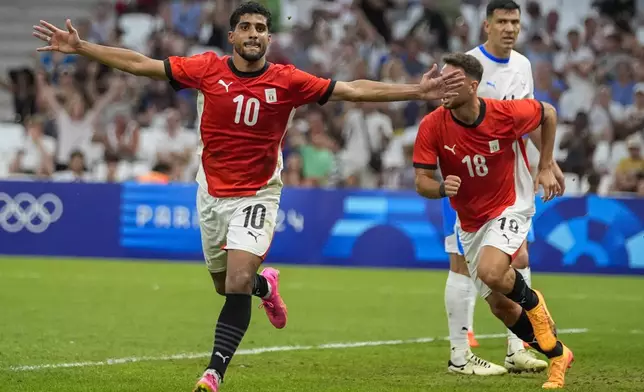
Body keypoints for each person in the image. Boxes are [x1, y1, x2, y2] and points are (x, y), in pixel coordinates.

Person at [32, 3, 465, 391]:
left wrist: (416, 91)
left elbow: (351, 89)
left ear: (269, 38)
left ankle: (213, 372)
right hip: (211, 194)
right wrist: (82, 47)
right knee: (227, 286)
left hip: (258, 194)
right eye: (246, 27)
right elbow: (140, 63)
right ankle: (266, 285)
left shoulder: (288, 79)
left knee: (235, 281)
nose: (254, 33)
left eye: (261, 27)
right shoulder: (205, 69)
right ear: (233, 36)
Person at [413, 52, 573, 390]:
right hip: (469, 222)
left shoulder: (502, 113)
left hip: (510, 204)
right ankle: (558, 353)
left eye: (451, 80)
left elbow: (549, 113)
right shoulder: (431, 125)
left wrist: (544, 165)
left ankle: (535, 304)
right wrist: (441, 188)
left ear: (473, 87)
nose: (443, 86)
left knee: (491, 271)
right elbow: (421, 182)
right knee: (500, 307)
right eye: (441, 79)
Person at [440, 0, 566, 375]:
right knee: (461, 262)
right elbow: (448, 117)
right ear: (487, 26)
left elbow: (528, 118)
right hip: (468, 177)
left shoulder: (523, 65)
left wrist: (546, 163)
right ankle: (459, 354)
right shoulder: (465, 64)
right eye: (502, 22)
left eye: (515, 21)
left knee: (519, 258)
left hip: (511, 177)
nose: (510, 28)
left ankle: (517, 348)